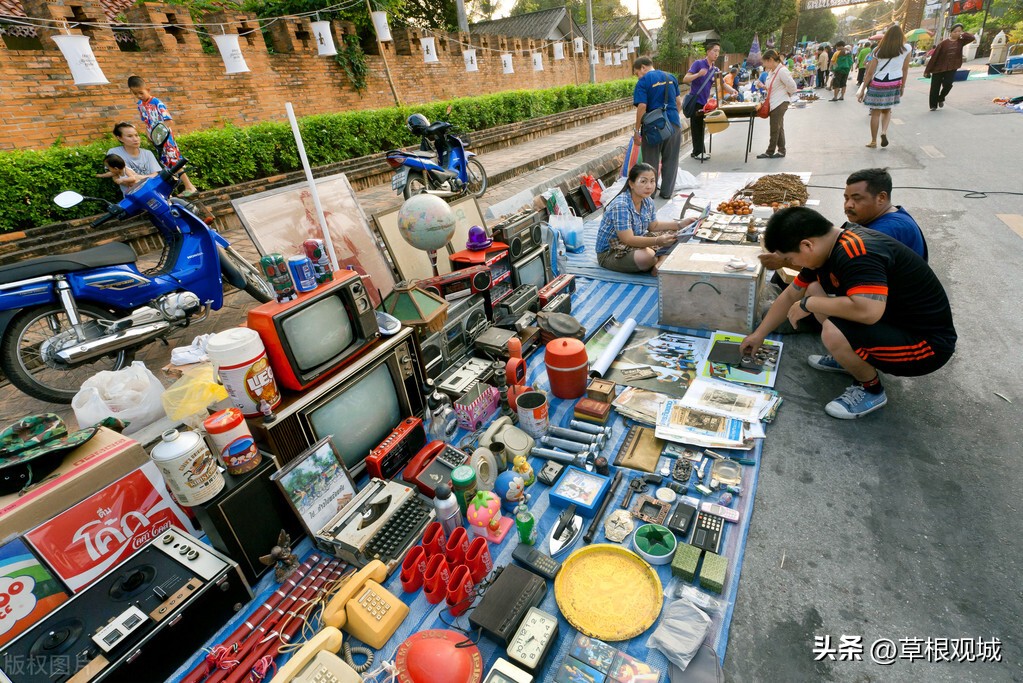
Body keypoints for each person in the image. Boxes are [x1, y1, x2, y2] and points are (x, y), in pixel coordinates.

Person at [742, 207, 956, 419]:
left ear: (807, 245)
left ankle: (871, 390)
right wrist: (758, 335)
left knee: (833, 331)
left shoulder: (857, 252)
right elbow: (791, 295)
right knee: (813, 287)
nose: (793, 264)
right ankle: (850, 358)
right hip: (893, 324)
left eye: (790, 259)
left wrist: (809, 304)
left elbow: (869, 312)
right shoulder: (828, 249)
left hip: (927, 346)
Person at [595, 162, 696, 274]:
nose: (649, 186)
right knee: (647, 257)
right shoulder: (621, 205)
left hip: (635, 242)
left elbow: (654, 226)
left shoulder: (647, 200)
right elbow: (628, 239)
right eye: (643, 181)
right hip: (612, 252)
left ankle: (660, 262)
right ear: (631, 184)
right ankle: (660, 258)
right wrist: (657, 241)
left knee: (677, 234)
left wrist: (680, 224)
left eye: (652, 181)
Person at [127, 75, 199, 197]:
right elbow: (146, 122)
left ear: (148, 90)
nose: (139, 96)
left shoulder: (157, 103)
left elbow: (168, 121)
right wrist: (149, 135)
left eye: (141, 93)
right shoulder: (140, 105)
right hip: (156, 140)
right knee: (167, 165)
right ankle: (175, 191)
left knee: (174, 162)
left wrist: (159, 134)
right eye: (135, 94)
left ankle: (190, 187)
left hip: (166, 139)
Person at [843, 168, 927, 259]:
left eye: (857, 198)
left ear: (881, 198)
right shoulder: (895, 213)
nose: (848, 205)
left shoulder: (885, 231)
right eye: (846, 198)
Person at [632, 56, 683, 199]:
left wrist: (637, 131)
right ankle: (666, 193)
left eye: (637, 73)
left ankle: (650, 194)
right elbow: (679, 103)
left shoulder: (643, 81)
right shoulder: (671, 77)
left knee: (650, 162)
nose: (638, 76)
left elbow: (642, 106)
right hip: (673, 125)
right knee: (671, 160)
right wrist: (671, 119)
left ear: (643, 67)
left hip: (652, 129)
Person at [857, 25, 911, 149]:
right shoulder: (906, 48)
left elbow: (870, 72)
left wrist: (862, 90)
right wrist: (902, 86)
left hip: (879, 82)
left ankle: (873, 141)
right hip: (894, 82)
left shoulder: (877, 50)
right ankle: (884, 132)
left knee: (875, 113)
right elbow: (905, 69)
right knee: (887, 110)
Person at [682, 42, 721, 161]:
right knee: (696, 127)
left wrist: (733, 91)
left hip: (705, 103)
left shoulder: (715, 69)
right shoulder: (698, 64)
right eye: (714, 51)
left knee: (701, 127)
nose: (716, 54)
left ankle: (698, 151)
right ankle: (698, 152)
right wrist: (698, 74)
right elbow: (685, 79)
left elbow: (722, 84)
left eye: (718, 51)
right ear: (708, 52)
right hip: (695, 101)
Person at [924, 24, 976, 111]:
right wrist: (927, 71)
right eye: (955, 31)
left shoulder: (961, 42)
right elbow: (934, 58)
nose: (957, 33)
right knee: (935, 87)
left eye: (959, 31)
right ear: (951, 33)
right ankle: (933, 105)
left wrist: (963, 34)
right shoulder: (943, 44)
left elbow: (972, 38)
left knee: (948, 85)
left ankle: (941, 98)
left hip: (952, 67)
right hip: (938, 69)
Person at [757, 50, 798, 159]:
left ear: (770, 60)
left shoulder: (782, 71)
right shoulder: (772, 71)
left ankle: (770, 151)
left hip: (780, 102)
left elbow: (792, 86)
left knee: (775, 128)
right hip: (774, 102)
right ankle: (781, 151)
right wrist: (762, 86)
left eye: (765, 62)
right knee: (779, 127)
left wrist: (787, 93)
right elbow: (771, 86)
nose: (764, 65)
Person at [106, 121, 162, 195]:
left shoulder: (147, 153)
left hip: (155, 191)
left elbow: (155, 175)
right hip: (133, 195)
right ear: (120, 138)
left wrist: (137, 177)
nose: (135, 139)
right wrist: (135, 181)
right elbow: (115, 176)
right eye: (130, 136)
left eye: (136, 135)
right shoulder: (114, 153)